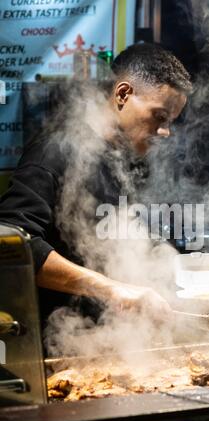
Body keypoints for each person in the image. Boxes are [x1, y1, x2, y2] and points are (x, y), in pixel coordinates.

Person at [0, 43, 192, 322]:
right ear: (123, 93)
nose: (165, 132)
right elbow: (12, 244)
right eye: (160, 116)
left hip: (112, 338)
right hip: (61, 341)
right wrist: (112, 289)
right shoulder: (56, 149)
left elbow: (124, 240)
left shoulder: (126, 160)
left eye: (170, 121)